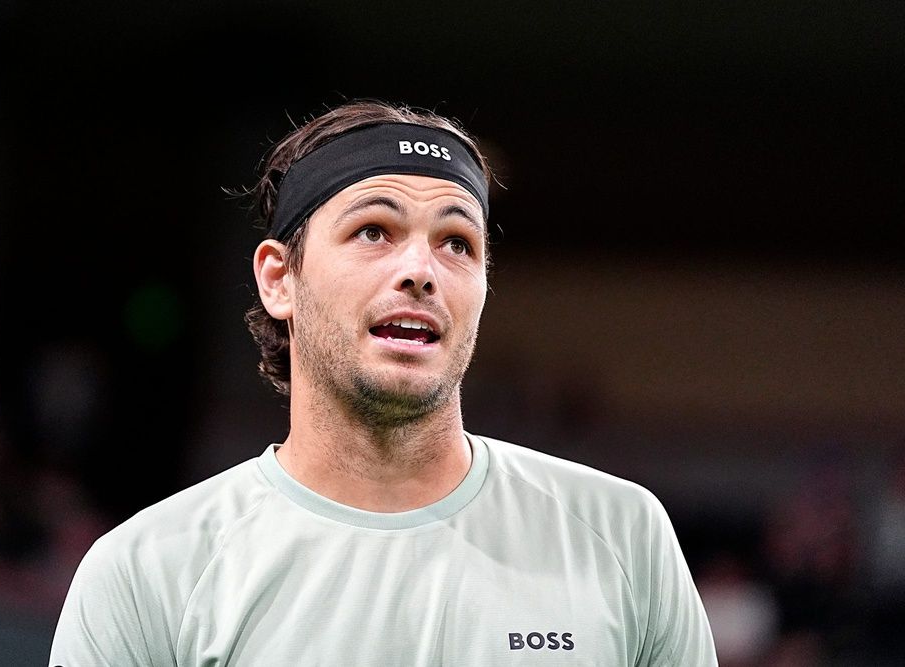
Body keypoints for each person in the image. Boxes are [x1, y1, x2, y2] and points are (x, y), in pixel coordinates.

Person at [49, 99, 717, 666]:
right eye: (375, 230)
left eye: (458, 242)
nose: (422, 270)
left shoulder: (622, 535)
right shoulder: (146, 572)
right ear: (279, 278)